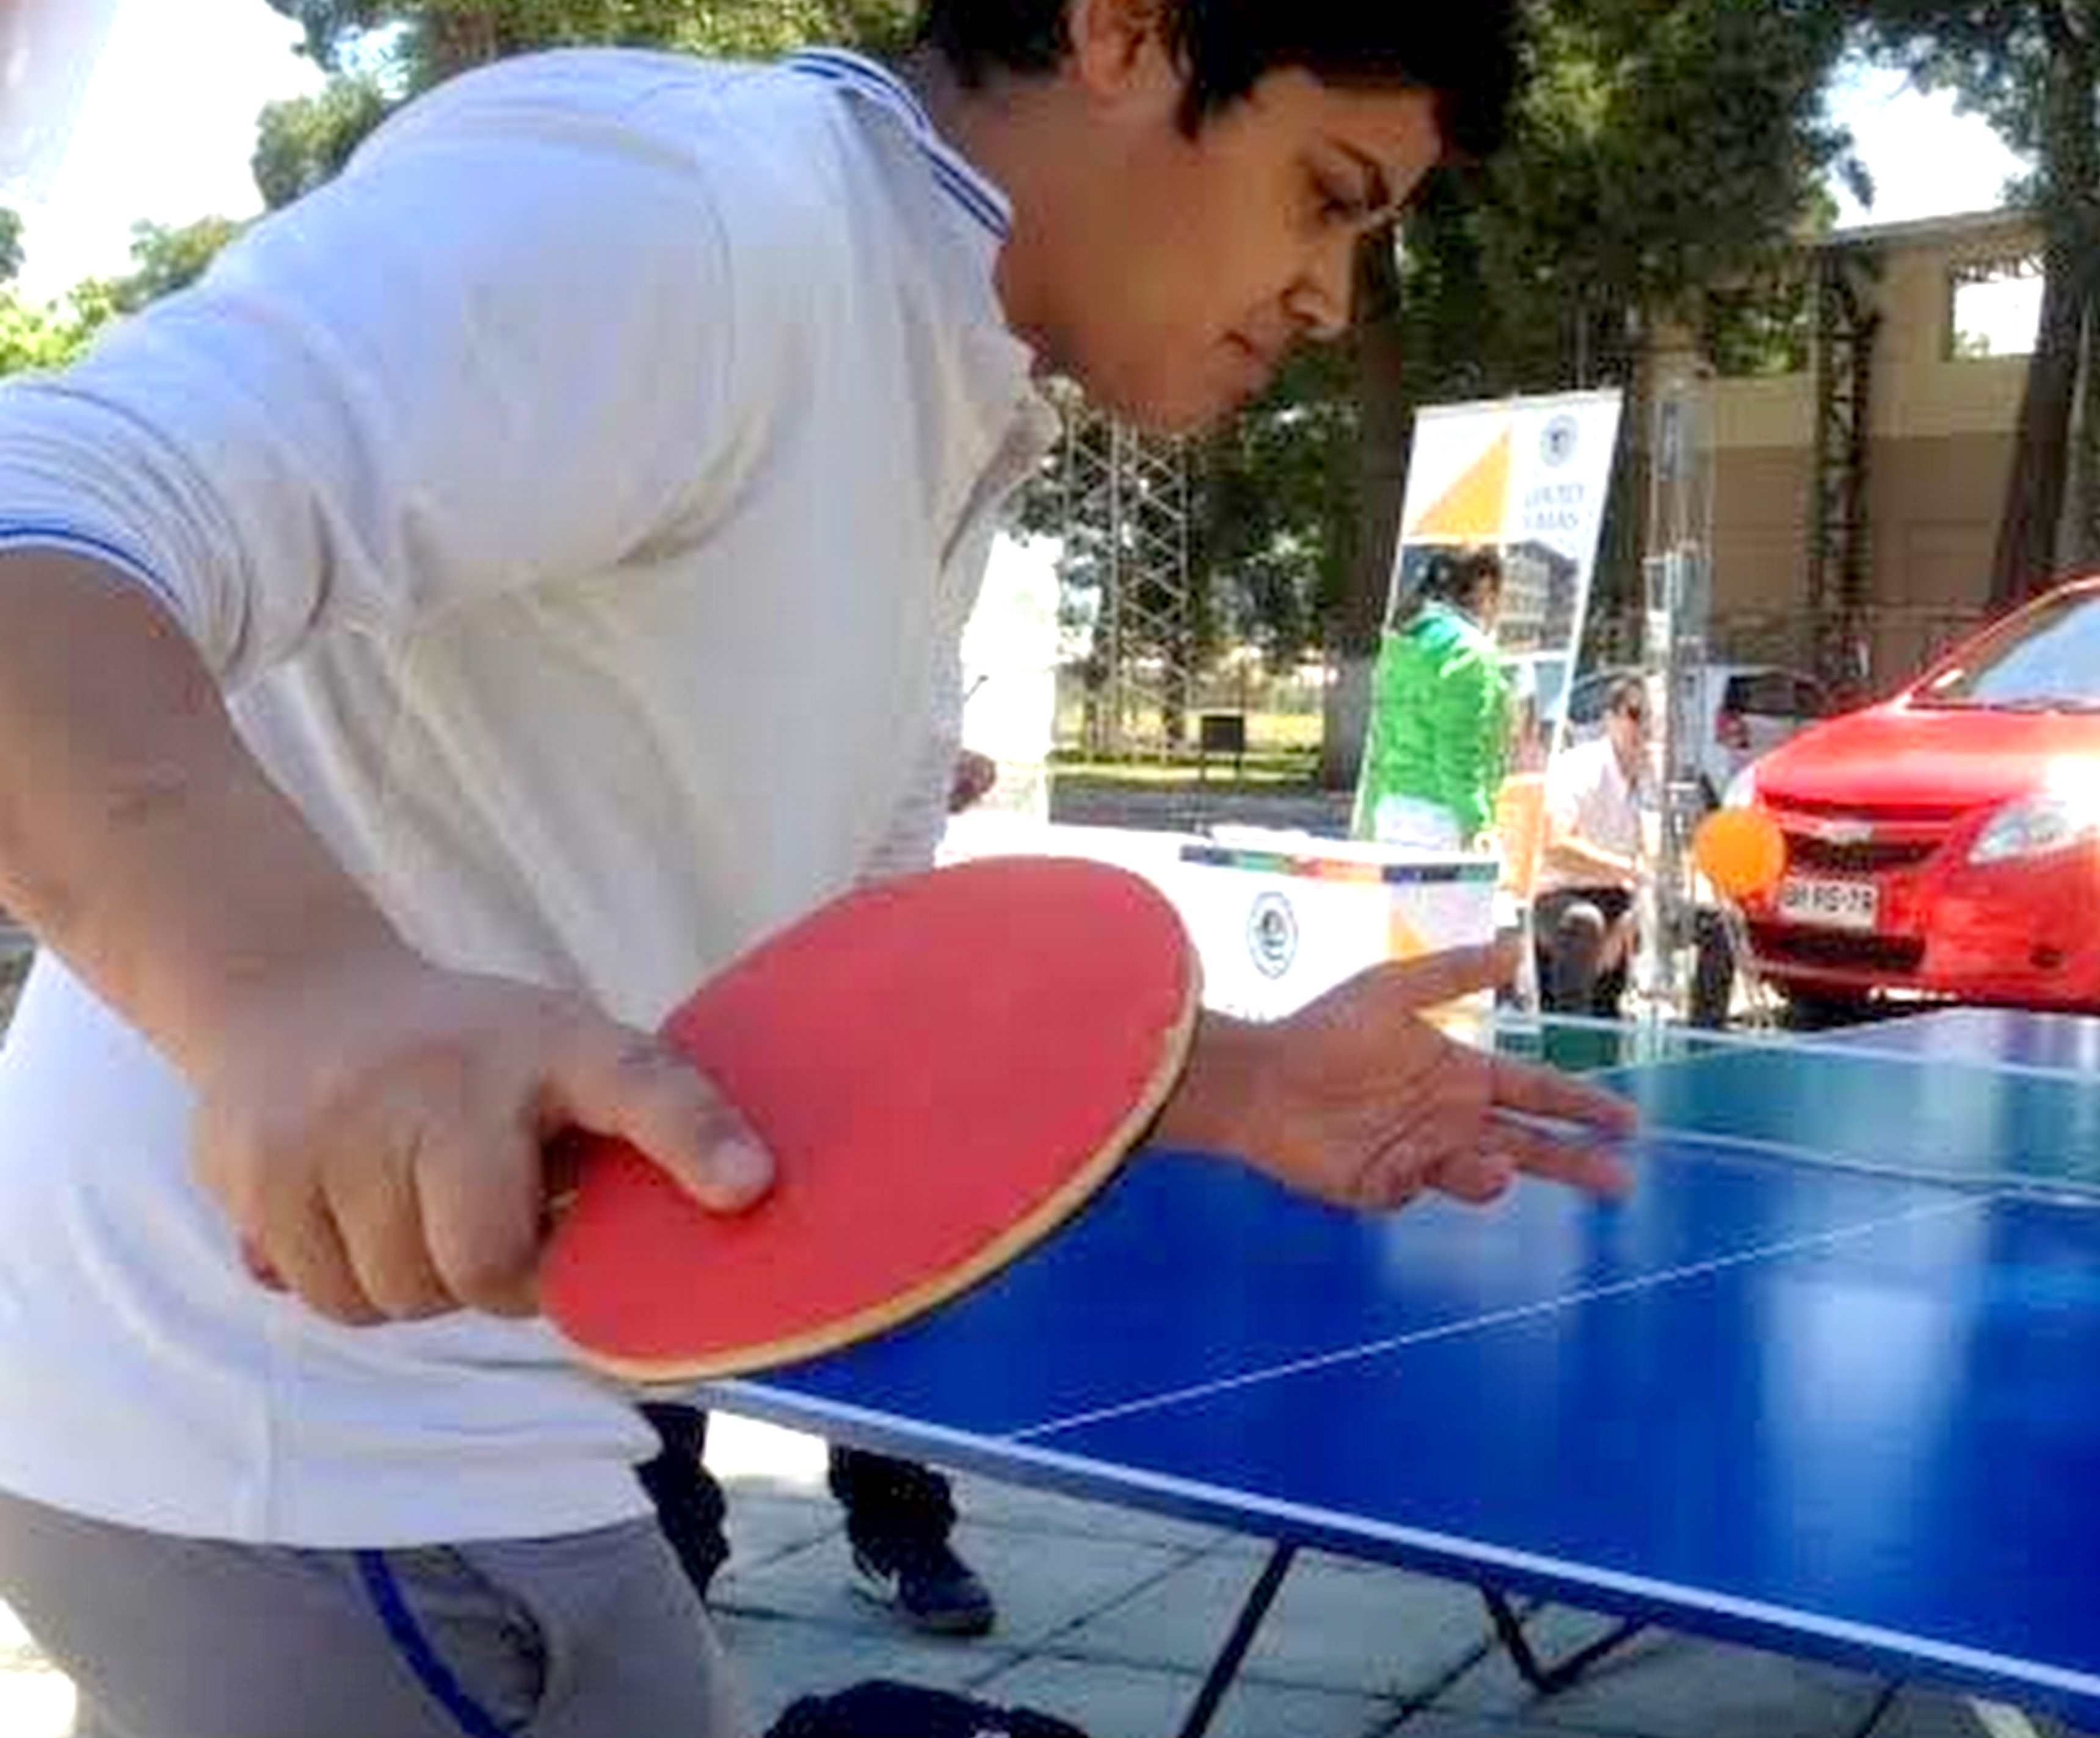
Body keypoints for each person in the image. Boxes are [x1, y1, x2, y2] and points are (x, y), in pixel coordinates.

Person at [0, 7, 1633, 1737]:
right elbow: (45, 514)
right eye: (1325, 195)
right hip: (305, 1439)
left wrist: (1236, 1081)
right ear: (1124, 31)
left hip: (432, 1433)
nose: (1330, 297)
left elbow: (828, 1011)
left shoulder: (941, 384)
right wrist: (295, 994)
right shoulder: (696, 210)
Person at [636, 744, 1010, 1637]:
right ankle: (674, 1543)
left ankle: (901, 1527)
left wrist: (905, 760)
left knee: (877, 1280)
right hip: (678, 975)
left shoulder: (921, 637)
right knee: (665, 1272)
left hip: (856, 996)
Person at [1531, 675, 1735, 1026]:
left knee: (1719, 924)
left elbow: (1673, 865)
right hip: (1561, 894)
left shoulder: (1664, 780)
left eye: (1657, 719)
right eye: (1636, 715)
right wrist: (1629, 872)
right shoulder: (1578, 769)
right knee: (1584, 922)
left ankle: (1702, 1042)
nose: (1647, 728)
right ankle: (1569, 1044)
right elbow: (1555, 847)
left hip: (1629, 897)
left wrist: (1631, 920)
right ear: (1611, 719)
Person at [1356, 546, 1514, 850]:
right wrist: (1477, 825)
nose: (1500, 608)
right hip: (1442, 820)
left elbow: (1381, 740)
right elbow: (1458, 754)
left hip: (1392, 810)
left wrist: (1367, 819)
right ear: (1484, 588)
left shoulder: (1401, 642)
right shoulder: (1469, 653)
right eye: (1501, 594)